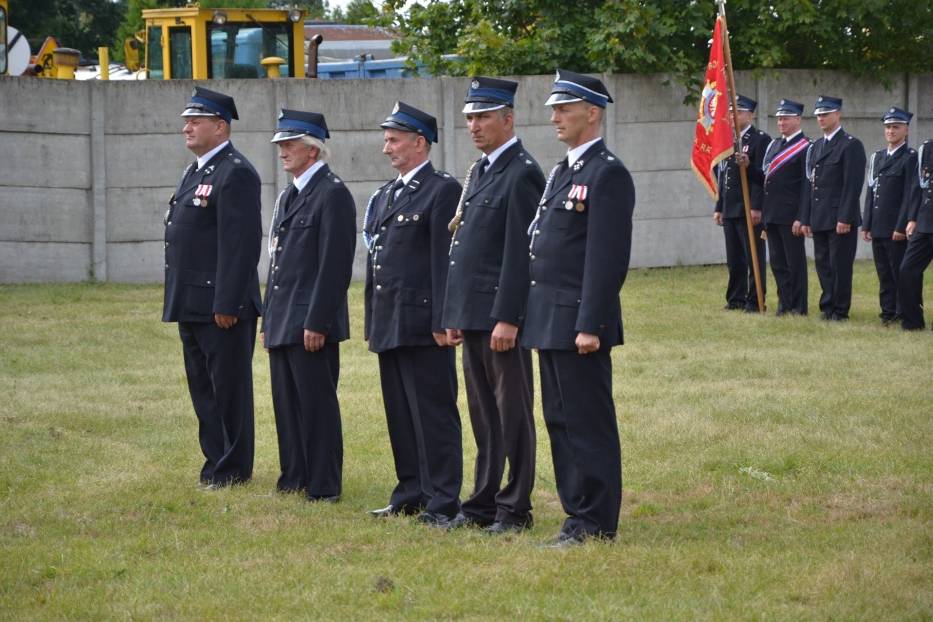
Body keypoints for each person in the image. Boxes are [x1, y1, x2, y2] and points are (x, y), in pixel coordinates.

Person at [522, 69, 635, 547]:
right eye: (554, 109)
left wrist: (590, 323)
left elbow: (606, 259)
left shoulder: (606, 173)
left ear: (592, 113)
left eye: (564, 109)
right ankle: (577, 513)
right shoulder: (563, 170)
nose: (555, 117)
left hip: (578, 322)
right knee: (560, 420)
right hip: (550, 316)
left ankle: (596, 520)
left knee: (588, 422)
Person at [443, 77, 545, 534]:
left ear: (509, 118)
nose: (474, 125)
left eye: (483, 116)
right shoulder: (482, 170)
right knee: (483, 414)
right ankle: (483, 503)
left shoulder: (521, 172)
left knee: (513, 413)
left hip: (501, 319)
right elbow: (468, 249)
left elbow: (519, 254)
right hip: (476, 316)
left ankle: (515, 507)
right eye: (469, 117)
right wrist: (459, 313)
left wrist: (509, 316)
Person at [363, 102, 464, 528]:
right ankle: (410, 491)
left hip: (425, 324)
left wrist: (444, 318)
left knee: (433, 413)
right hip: (391, 320)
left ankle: (442, 500)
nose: (387, 147)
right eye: (386, 139)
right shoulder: (389, 193)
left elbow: (445, 260)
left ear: (419, 142)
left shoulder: (442, 190)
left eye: (394, 139)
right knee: (400, 413)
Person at [162, 87, 262, 489]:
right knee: (203, 389)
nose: (187, 127)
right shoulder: (197, 170)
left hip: (221, 304)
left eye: (196, 121)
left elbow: (240, 245)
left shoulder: (235, 171)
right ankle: (214, 463)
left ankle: (234, 468)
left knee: (229, 391)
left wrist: (228, 302)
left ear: (220, 127)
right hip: (191, 300)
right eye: (187, 121)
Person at [260, 110, 356, 501]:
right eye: (280, 144)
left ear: (313, 150)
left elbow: (334, 265)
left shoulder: (331, 193)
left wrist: (318, 321)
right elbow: (277, 261)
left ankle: (323, 485)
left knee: (316, 406)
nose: (282, 151)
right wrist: (268, 318)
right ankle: (294, 477)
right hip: (284, 317)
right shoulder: (290, 194)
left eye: (289, 144)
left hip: (310, 322)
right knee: (286, 404)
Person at [800, 95, 867, 321]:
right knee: (823, 265)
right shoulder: (817, 146)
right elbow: (812, 184)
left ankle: (840, 309)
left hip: (839, 216)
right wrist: (807, 218)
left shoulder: (850, 144)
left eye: (825, 114)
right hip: (819, 216)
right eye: (818, 114)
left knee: (840, 266)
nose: (821, 118)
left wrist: (845, 217)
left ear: (838, 114)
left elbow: (852, 185)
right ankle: (827, 306)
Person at [713, 95, 770, 312]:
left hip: (749, 207)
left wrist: (757, 206)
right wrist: (719, 206)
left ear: (751, 114)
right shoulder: (729, 141)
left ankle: (755, 300)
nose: (733, 115)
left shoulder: (760, 140)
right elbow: (724, 176)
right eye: (731, 111)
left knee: (752, 256)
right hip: (731, 207)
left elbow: (760, 176)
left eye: (739, 111)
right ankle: (735, 297)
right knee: (734, 258)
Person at [861, 107, 916, 325]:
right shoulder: (878, 157)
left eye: (896, 127)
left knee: (898, 272)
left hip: (896, 227)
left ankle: (902, 312)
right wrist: (866, 224)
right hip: (878, 225)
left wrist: (901, 226)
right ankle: (887, 312)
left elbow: (909, 195)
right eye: (888, 127)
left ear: (906, 130)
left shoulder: (910, 158)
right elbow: (871, 191)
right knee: (883, 272)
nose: (891, 131)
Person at [759, 99, 810, 316]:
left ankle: (799, 306)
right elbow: (765, 179)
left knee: (794, 264)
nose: (781, 122)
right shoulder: (774, 145)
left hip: (791, 215)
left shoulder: (806, 146)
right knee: (778, 263)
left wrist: (801, 217)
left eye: (786, 118)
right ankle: (784, 303)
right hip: (772, 213)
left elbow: (806, 186)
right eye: (779, 118)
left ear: (798, 119)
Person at [899, 137, 933, 331]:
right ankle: (912, 321)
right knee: (907, 271)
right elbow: (917, 186)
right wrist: (912, 218)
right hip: (925, 221)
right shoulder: (927, 147)